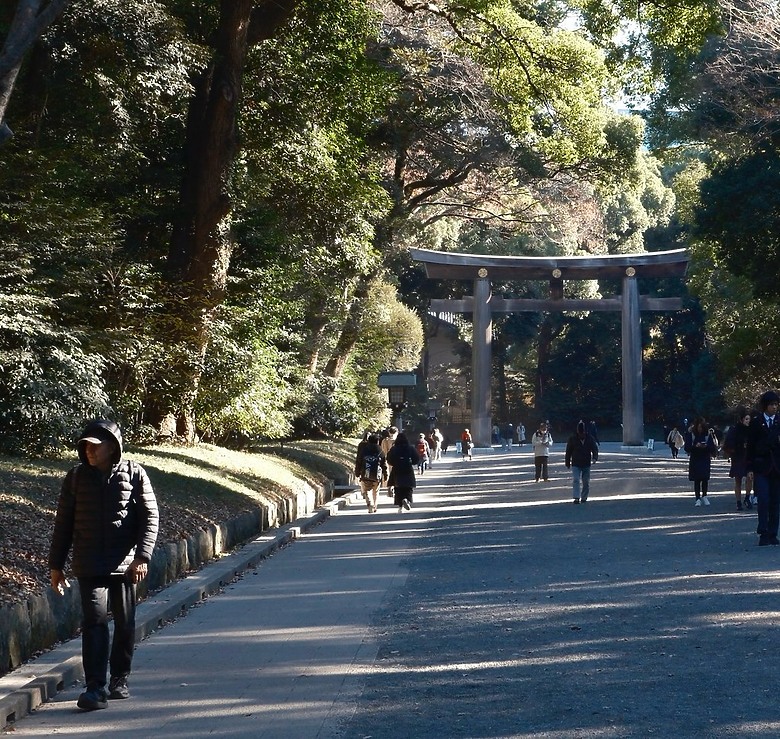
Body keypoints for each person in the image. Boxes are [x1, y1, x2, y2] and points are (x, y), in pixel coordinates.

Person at [48, 419, 159, 711]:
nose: (89, 452)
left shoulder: (135, 473)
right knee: (94, 623)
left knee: (125, 623)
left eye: (96, 447)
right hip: (89, 565)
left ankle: (119, 678)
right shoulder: (74, 478)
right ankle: (95, 688)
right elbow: (63, 524)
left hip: (124, 565)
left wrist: (142, 557)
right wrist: (56, 566)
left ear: (113, 447)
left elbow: (150, 517)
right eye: (85, 446)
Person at [746, 391, 780, 545]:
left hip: (777, 467)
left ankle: (773, 533)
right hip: (761, 466)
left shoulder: (779, 421)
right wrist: (749, 468)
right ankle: (763, 531)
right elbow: (751, 447)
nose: (775, 407)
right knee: (763, 499)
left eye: (776, 404)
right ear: (765, 405)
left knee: (775, 501)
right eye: (772, 404)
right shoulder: (756, 422)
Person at [722, 408, 753, 511]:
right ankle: (738, 501)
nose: (748, 421)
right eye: (747, 419)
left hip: (749, 457)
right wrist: (735, 449)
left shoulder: (752, 430)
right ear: (742, 419)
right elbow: (728, 443)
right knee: (738, 480)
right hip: (738, 457)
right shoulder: (735, 430)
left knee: (750, 477)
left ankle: (747, 497)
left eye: (749, 419)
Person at [683, 417, 718, 507]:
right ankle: (697, 498)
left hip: (705, 457)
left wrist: (705, 446)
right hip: (695, 457)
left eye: (701, 427)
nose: (700, 429)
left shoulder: (707, 435)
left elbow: (712, 447)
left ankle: (705, 496)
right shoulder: (692, 434)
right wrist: (695, 446)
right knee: (697, 479)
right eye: (698, 427)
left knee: (705, 478)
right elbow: (687, 447)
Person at [565, 420, 599, 503]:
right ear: (577, 432)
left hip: (586, 463)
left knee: (586, 481)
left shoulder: (590, 438)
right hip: (576, 463)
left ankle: (584, 497)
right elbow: (568, 451)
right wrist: (567, 462)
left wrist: (595, 458)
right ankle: (576, 497)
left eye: (583, 433)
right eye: (580, 433)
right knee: (576, 479)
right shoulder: (572, 439)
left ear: (585, 432)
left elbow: (594, 449)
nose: (581, 435)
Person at [387, 432, 420, 512]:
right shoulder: (410, 448)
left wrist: (394, 463)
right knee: (408, 487)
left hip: (397, 470)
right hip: (408, 469)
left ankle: (400, 506)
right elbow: (416, 458)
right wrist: (411, 462)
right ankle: (407, 499)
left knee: (398, 488)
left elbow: (389, 460)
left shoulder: (394, 449)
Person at [354, 433, 387, 513]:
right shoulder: (380, 450)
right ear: (377, 441)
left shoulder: (364, 450)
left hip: (366, 473)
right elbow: (383, 464)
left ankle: (370, 503)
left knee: (366, 490)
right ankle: (375, 505)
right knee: (375, 491)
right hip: (377, 475)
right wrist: (385, 475)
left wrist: (357, 472)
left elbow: (359, 461)